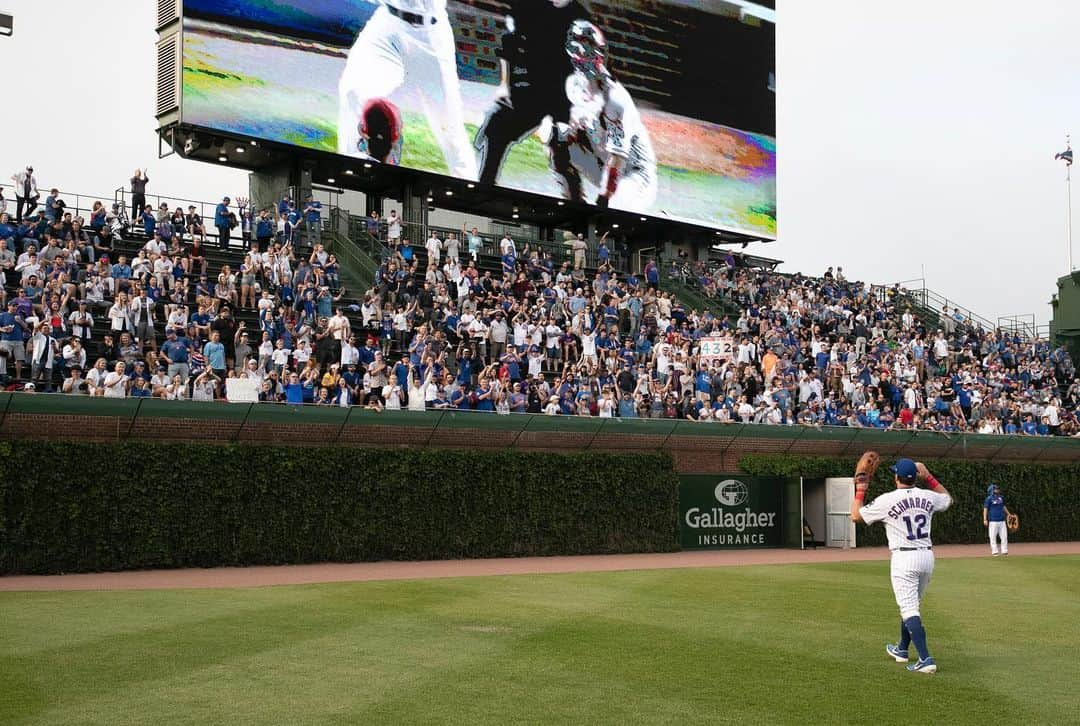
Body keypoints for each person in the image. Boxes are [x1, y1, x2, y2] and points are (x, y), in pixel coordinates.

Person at [336, 0, 477, 180]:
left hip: (431, 34)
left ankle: (468, 184)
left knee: (448, 123)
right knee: (352, 89)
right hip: (388, 23)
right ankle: (352, 166)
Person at [475, 0, 592, 195]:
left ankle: (577, 201)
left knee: (561, 153)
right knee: (497, 130)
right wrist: (504, 85)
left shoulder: (582, 17)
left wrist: (582, 106)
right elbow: (509, 46)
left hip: (565, 96)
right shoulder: (528, 6)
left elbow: (587, 64)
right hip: (532, 88)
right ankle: (484, 189)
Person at [851, 457, 952, 674]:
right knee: (911, 605)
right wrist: (929, 477)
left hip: (904, 558)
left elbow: (855, 516)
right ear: (915, 477)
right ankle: (901, 649)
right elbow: (947, 499)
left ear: (896, 477)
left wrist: (860, 489)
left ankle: (926, 659)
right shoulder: (927, 496)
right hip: (926, 556)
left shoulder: (888, 500)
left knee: (909, 608)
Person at [560, 21, 657, 211]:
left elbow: (617, 160)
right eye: (582, 50)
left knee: (612, 212)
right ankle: (575, 207)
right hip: (602, 163)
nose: (586, 56)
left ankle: (657, 220)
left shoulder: (615, 99)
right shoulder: (573, 86)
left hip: (634, 173)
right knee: (556, 135)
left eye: (589, 50)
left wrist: (602, 201)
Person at [983, 483, 1013, 557]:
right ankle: (995, 551)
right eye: (995, 489)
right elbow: (985, 509)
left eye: (997, 489)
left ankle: (1004, 551)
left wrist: (1009, 514)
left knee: (1004, 536)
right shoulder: (989, 499)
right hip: (993, 521)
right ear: (992, 490)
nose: (997, 490)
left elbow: (1003, 507)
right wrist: (985, 519)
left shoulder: (1001, 497)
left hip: (1002, 520)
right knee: (992, 537)